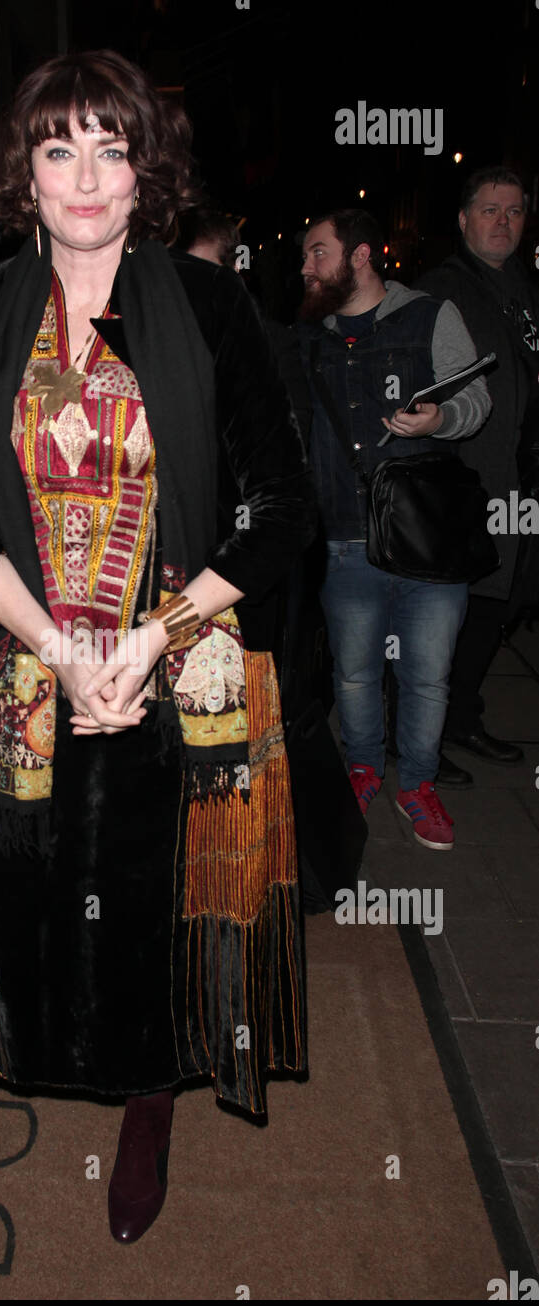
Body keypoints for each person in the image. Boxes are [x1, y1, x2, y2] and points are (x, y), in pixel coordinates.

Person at [0, 50, 316, 1245]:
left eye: (111, 146)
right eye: (60, 149)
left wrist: (149, 641)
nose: (87, 175)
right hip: (25, 651)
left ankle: (149, 1089)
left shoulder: (213, 309)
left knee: (157, 890)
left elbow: (277, 505)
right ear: (29, 175)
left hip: (180, 660)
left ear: (143, 164)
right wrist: (57, 647)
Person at [297, 209, 491, 849]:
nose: (305, 267)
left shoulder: (430, 316)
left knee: (427, 674)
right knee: (353, 673)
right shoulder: (309, 338)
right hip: (344, 538)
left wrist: (441, 420)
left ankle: (418, 783)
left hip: (427, 541)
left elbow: (476, 399)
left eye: (318, 253)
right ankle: (361, 767)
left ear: (359, 255)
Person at [416, 167, 539, 777]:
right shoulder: (441, 290)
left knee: (499, 605)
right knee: (448, 613)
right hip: (463, 482)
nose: (503, 222)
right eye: (490, 210)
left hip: (519, 482)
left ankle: (462, 716)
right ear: (464, 220)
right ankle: (419, 733)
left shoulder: (525, 287)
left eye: (514, 211)